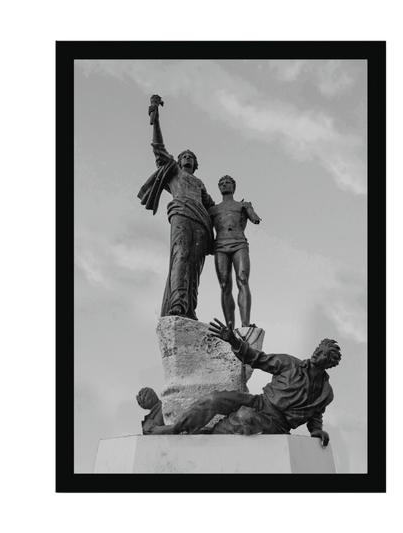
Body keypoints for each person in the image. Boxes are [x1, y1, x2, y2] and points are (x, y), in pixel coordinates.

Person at [144, 319, 342, 447]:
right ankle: (177, 428)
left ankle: (201, 437)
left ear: (330, 362)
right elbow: (257, 359)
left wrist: (316, 430)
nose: (317, 353)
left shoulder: (326, 393)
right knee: (215, 399)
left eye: (323, 353)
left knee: (244, 417)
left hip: (277, 424)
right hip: (259, 401)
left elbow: (316, 414)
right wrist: (234, 341)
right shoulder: (289, 363)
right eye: (318, 348)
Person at [137, 95, 216, 320]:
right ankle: (178, 304)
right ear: (179, 161)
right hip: (181, 214)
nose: (188, 158)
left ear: (196, 164)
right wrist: (156, 118)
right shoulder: (173, 172)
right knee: (181, 256)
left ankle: (189, 308)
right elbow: (158, 148)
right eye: (185, 156)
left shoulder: (200, 184)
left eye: (191, 157)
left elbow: (213, 209)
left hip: (202, 223)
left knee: (195, 268)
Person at [208, 176, 261, 328]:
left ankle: (245, 323)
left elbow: (255, 219)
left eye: (227, 183)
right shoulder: (214, 210)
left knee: (242, 279)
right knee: (225, 285)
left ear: (233, 186)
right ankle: (229, 327)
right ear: (219, 188)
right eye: (221, 184)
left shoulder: (242, 205)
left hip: (239, 243)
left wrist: (249, 208)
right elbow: (205, 230)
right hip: (220, 246)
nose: (224, 185)